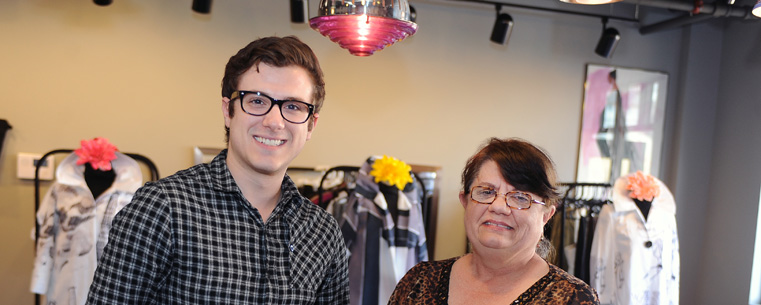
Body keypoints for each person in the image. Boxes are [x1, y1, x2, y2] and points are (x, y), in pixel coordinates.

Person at [86, 36, 350, 304]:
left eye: (293, 106)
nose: (274, 121)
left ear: (311, 125)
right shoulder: (162, 207)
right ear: (228, 110)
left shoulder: (323, 232)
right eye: (257, 101)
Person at [388, 138, 599, 305]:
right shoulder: (419, 282)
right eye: (486, 192)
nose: (498, 206)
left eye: (519, 197)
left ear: (546, 216)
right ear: (465, 201)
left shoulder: (574, 299)